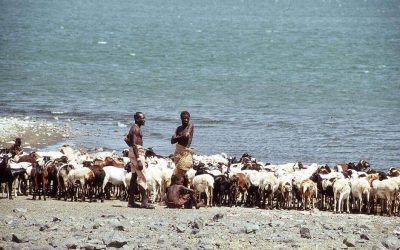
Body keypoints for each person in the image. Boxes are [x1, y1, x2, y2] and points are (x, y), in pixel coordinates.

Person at [124, 112, 154, 209]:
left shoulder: (134, 128)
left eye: (144, 118)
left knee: (134, 177)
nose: (144, 120)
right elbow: (133, 144)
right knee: (143, 177)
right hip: (137, 153)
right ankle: (144, 202)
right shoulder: (136, 128)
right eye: (142, 118)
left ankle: (131, 201)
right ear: (137, 119)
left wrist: (132, 152)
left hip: (135, 152)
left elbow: (127, 139)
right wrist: (138, 159)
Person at [171, 111, 194, 184]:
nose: (186, 120)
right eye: (184, 118)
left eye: (187, 118)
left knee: (183, 171)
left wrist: (177, 137)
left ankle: (185, 189)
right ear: (181, 118)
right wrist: (181, 137)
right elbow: (172, 141)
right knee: (178, 173)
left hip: (185, 152)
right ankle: (180, 189)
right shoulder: (179, 128)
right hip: (178, 152)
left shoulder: (190, 125)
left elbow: (186, 136)